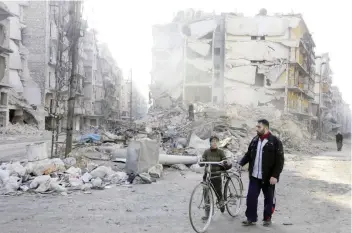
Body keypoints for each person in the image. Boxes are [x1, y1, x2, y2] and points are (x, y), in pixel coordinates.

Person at [239, 119, 284, 227]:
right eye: (256, 126)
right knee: (251, 197)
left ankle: (267, 218)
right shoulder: (255, 140)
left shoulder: (275, 141)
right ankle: (251, 218)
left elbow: (280, 161)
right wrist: (240, 163)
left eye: (259, 127)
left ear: (266, 128)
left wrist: (275, 176)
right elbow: (248, 155)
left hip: (268, 177)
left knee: (269, 199)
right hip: (254, 176)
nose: (257, 129)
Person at [200, 135, 232, 220]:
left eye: (216, 141)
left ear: (218, 143)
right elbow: (202, 162)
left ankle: (221, 202)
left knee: (218, 192)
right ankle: (208, 214)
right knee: (206, 195)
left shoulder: (220, 152)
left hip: (217, 175)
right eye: (212, 141)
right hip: (207, 176)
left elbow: (225, 160)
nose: (214, 143)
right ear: (210, 142)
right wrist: (201, 161)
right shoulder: (206, 152)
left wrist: (224, 162)